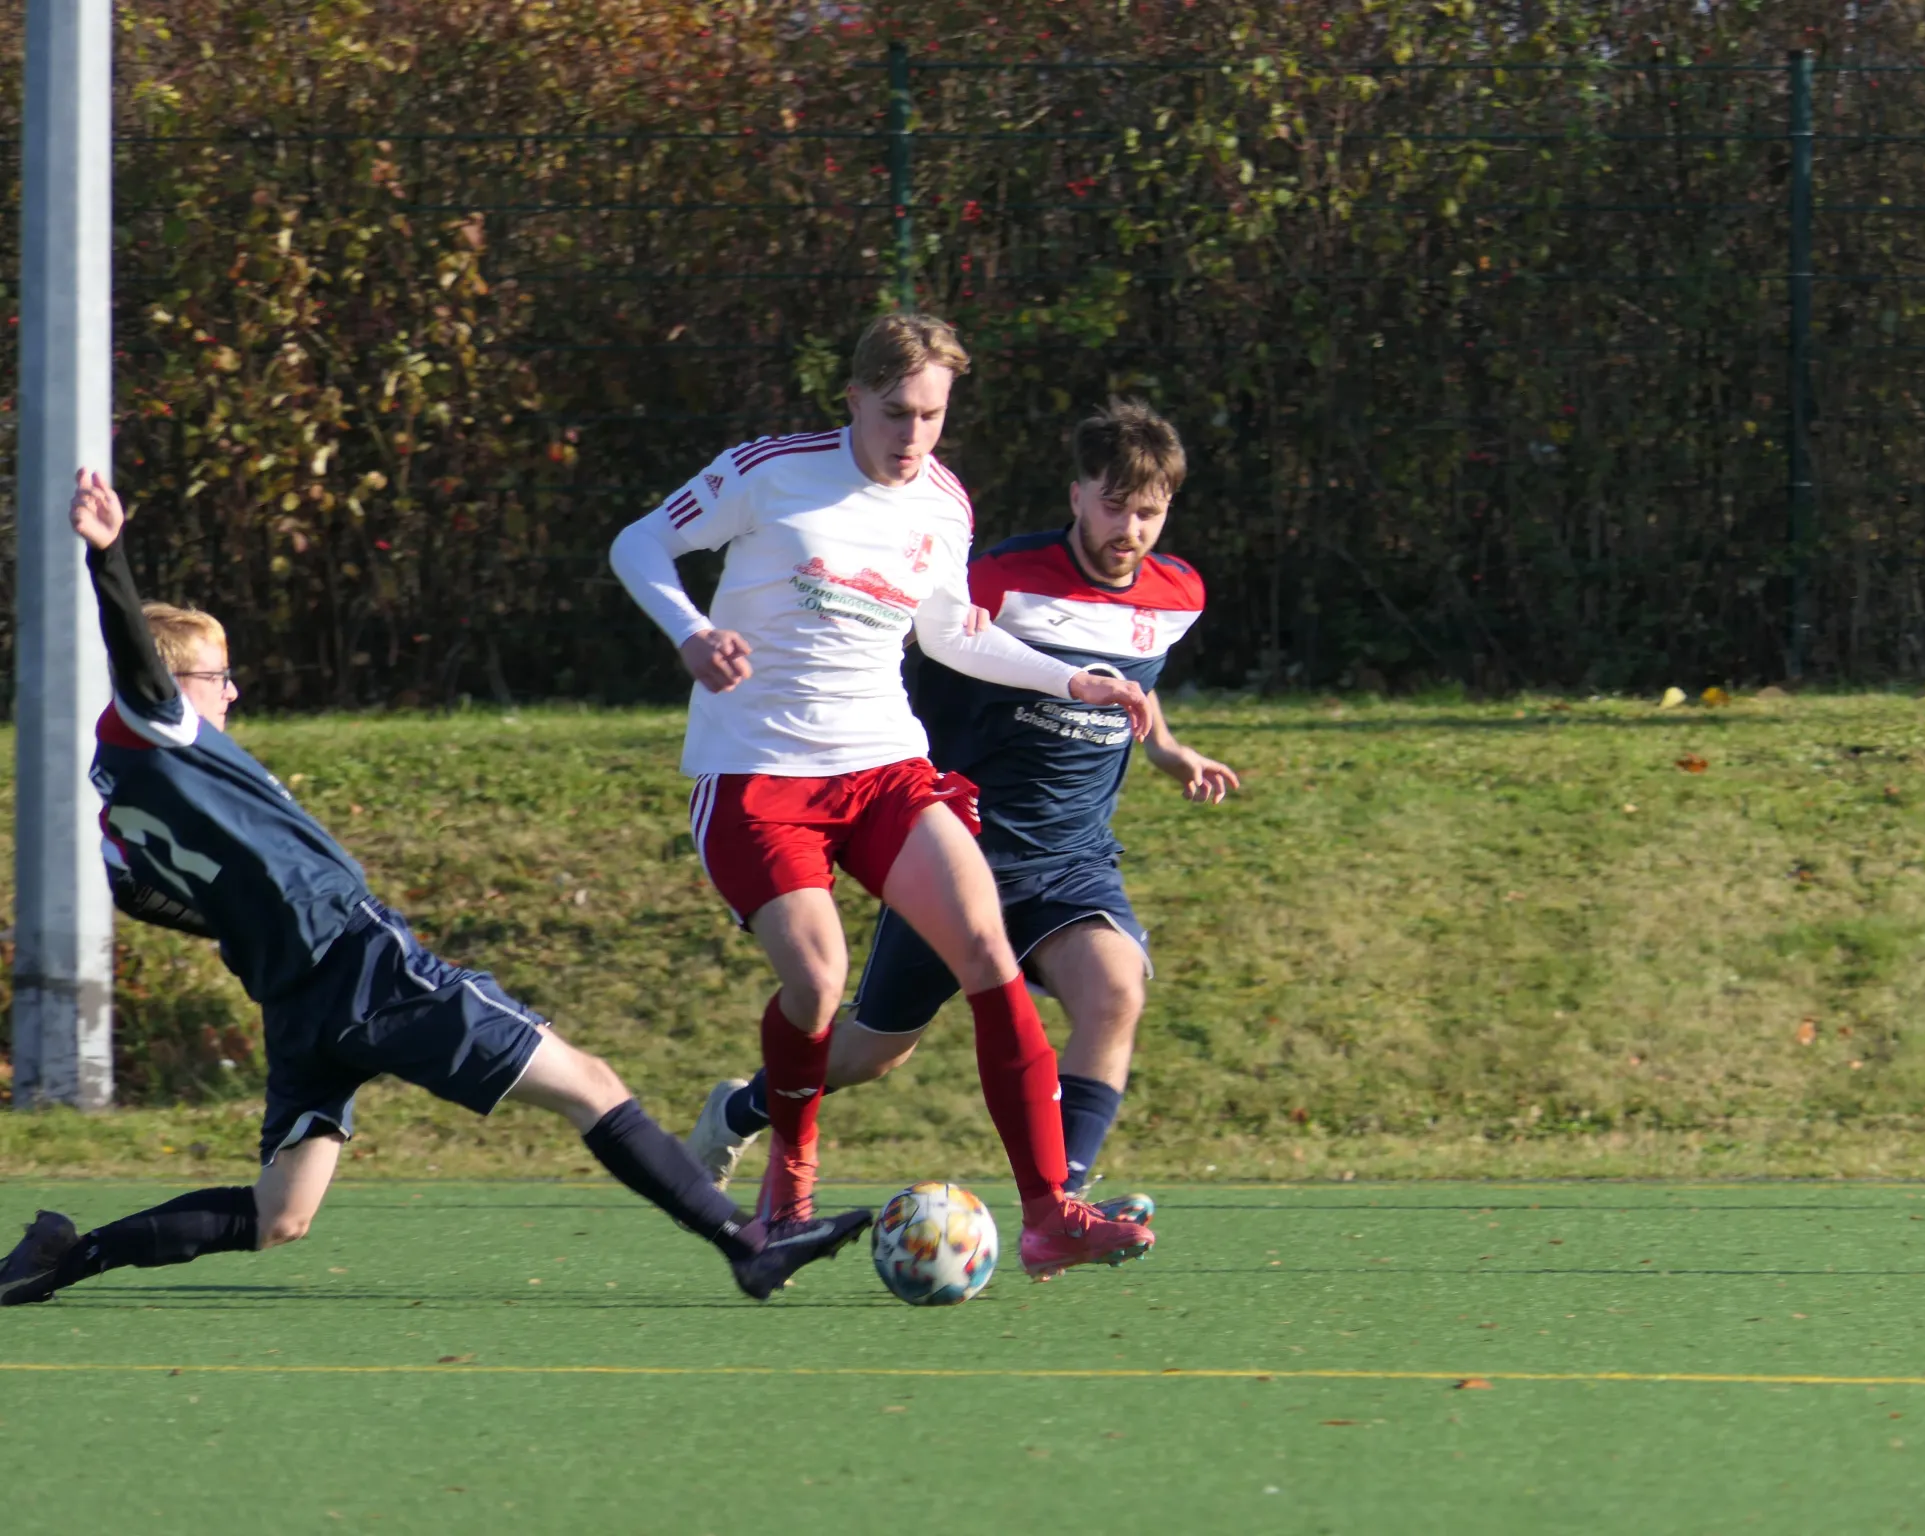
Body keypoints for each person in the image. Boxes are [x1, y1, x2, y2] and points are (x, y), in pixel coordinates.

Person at [0, 470, 869, 1309]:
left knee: (280, 1214)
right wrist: (107, 557)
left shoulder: (118, 800)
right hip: (362, 964)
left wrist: (253, 922)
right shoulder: (157, 722)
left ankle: (63, 1257)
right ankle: (749, 1245)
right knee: (592, 1085)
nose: (232, 689)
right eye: (216, 676)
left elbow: (141, 894)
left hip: (298, 1000)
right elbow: (136, 655)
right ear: (171, 685)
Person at [608, 313, 1156, 1280]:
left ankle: (1049, 1215)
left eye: (932, 415)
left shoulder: (943, 502)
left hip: (883, 766)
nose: (913, 435)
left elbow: (951, 632)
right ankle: (787, 1195)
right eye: (896, 412)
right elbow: (638, 544)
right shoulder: (771, 472)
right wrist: (691, 632)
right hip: (758, 772)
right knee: (818, 982)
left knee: (986, 948)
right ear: (854, 398)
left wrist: (1071, 679)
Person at [686, 400, 1235, 1219]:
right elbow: (902, 638)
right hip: (956, 848)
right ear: (1077, 494)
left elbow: (1135, 682)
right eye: (1113, 505)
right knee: (874, 1052)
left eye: (1148, 513)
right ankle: (741, 1109)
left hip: (1070, 860)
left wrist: (1166, 748)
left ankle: (1064, 1203)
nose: (1129, 529)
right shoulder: (999, 577)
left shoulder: (1177, 593)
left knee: (1115, 992)